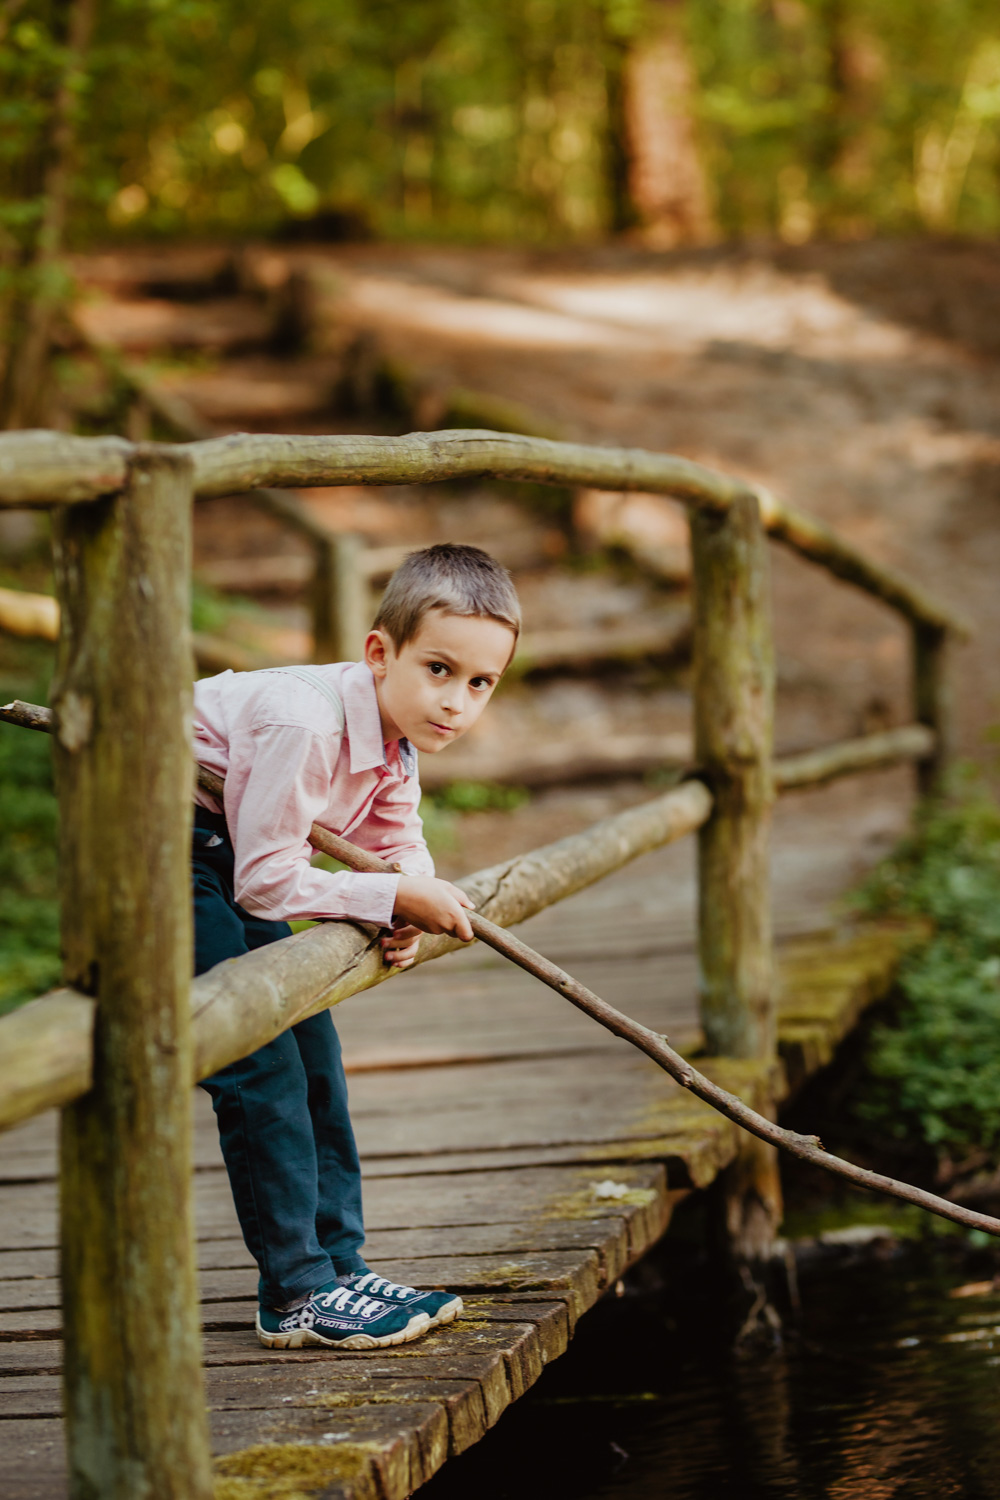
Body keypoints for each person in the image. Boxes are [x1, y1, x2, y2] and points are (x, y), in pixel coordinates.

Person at [190, 542, 520, 1351]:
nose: (457, 702)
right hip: (160, 848)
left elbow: (399, 844)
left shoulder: (398, 739)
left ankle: (339, 1262)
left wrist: (401, 906)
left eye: (481, 683)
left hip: (233, 853)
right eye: (440, 670)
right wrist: (390, 896)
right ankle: (295, 1291)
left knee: (316, 1050)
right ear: (381, 652)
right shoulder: (304, 718)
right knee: (258, 1061)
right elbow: (269, 884)